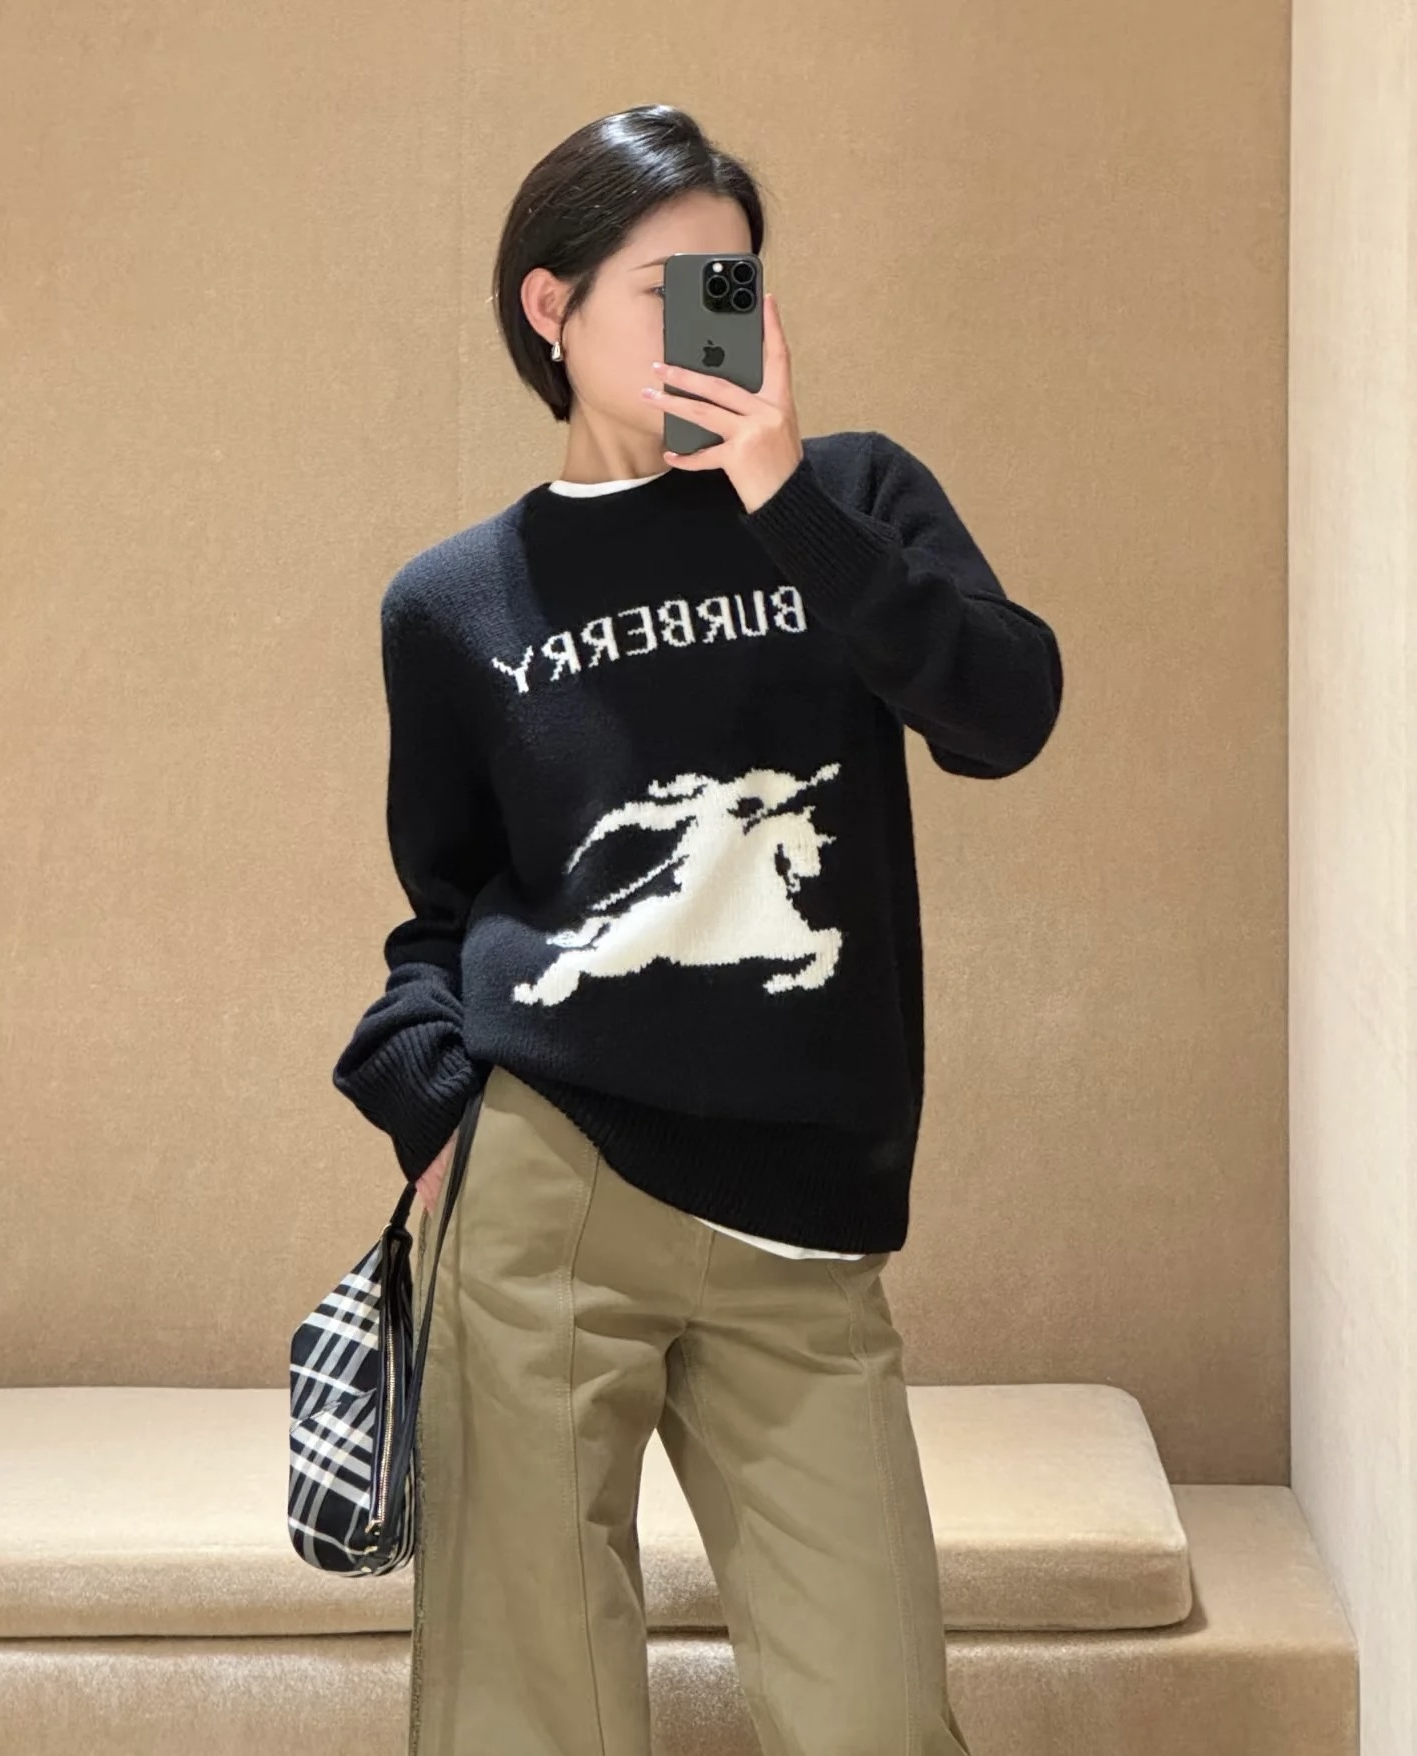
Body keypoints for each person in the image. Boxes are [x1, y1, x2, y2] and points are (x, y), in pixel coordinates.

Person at [332, 101, 1061, 1756]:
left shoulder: (851, 497)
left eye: (730, 287)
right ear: (551, 306)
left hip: (801, 1215)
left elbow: (1004, 712)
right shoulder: (452, 602)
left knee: (876, 1717)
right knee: (527, 1722)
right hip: (547, 1187)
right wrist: (433, 1101)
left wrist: (782, 494)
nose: (704, 324)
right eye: (665, 288)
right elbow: (444, 906)